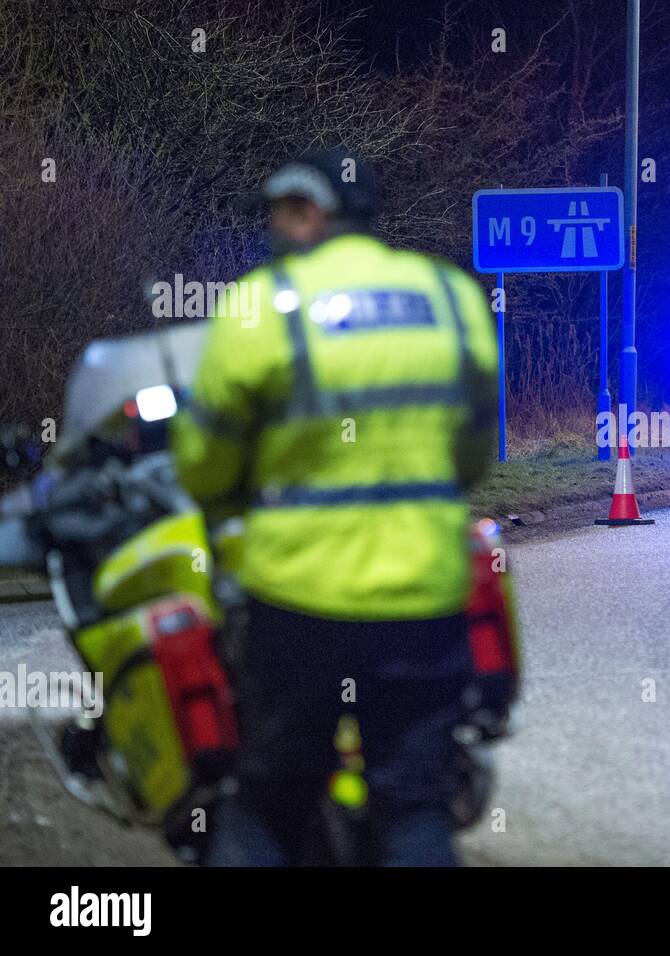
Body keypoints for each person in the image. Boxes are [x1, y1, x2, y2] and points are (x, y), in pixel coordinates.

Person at [169, 148, 500, 865]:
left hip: (300, 602)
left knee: (265, 802)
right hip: (425, 594)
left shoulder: (262, 303)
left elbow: (203, 465)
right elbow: (472, 453)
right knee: (414, 804)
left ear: (309, 212)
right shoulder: (449, 298)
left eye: (278, 212)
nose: (270, 228)